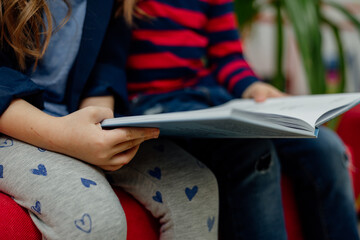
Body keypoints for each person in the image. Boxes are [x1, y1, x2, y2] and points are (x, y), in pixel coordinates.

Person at [112, 0, 360, 239]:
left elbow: (227, 55)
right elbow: (108, 64)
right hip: (153, 105)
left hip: (208, 96)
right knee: (250, 151)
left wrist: (252, 87)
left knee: (326, 147)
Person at [0, 0, 219, 239]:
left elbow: (106, 67)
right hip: (10, 125)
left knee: (197, 187)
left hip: (71, 116)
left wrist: (99, 126)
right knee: (95, 215)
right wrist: (61, 135)